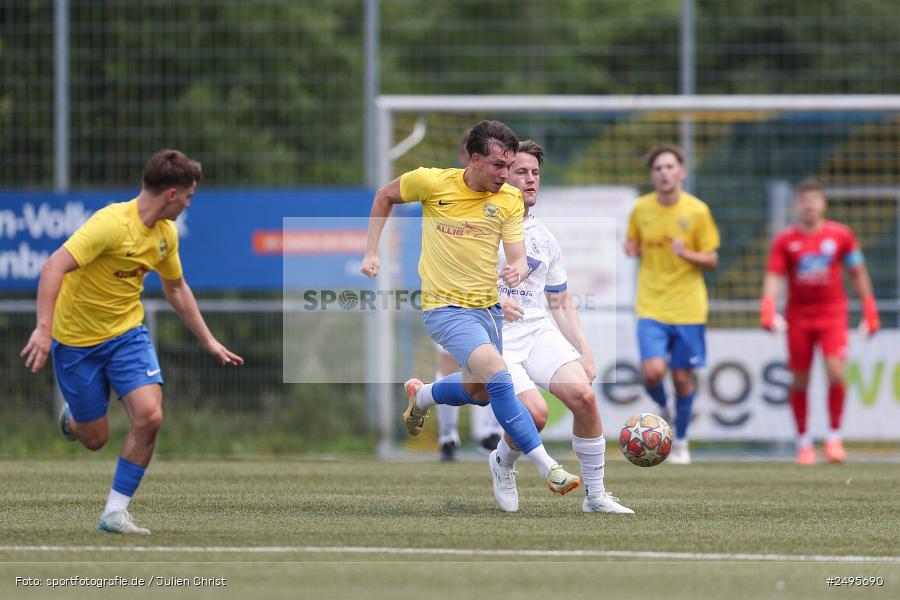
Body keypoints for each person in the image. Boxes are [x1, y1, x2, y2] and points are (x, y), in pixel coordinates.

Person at [20, 149, 244, 535]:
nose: (190, 203)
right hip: (76, 342)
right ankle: (74, 420)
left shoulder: (165, 235)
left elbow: (175, 287)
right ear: (171, 194)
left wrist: (208, 340)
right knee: (95, 438)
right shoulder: (110, 224)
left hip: (126, 335)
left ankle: (115, 512)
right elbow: (53, 266)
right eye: (188, 196)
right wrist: (43, 328)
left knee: (151, 416)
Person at [361, 120, 581, 496]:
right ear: (474, 159)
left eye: (510, 165)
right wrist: (371, 251)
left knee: (479, 391)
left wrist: (517, 268)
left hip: (488, 310)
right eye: (499, 166)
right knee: (499, 374)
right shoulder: (431, 182)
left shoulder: (507, 200)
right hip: (445, 309)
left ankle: (424, 395)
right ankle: (548, 466)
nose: (506, 174)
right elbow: (384, 195)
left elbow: (517, 256)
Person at [486, 140, 632, 513]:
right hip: (494, 336)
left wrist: (585, 351)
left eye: (535, 173)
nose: (530, 180)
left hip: (536, 331)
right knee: (535, 414)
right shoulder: (481, 225)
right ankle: (502, 462)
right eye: (521, 172)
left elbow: (561, 302)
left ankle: (595, 497)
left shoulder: (544, 239)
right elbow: (456, 277)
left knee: (584, 397)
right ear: (503, 175)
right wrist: (491, 298)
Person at [760, 179, 879, 465]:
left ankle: (834, 440)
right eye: (805, 200)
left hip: (832, 315)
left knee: (836, 372)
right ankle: (804, 443)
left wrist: (869, 308)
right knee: (800, 379)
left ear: (823, 204)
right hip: (798, 318)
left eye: (815, 199)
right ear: (797, 205)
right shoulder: (785, 240)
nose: (810, 204)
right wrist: (768, 306)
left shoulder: (841, 236)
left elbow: (857, 272)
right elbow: (774, 276)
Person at [624, 144, 720, 465]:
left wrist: (687, 253)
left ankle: (680, 441)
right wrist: (631, 247)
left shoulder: (697, 211)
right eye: (658, 168)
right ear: (652, 175)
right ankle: (664, 409)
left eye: (670, 167)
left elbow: (712, 259)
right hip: (651, 304)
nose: (664, 173)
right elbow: (634, 243)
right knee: (652, 372)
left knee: (682, 378)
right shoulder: (640, 209)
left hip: (689, 308)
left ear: (681, 172)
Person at [434, 129, 503, 461]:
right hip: (450, 298)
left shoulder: (502, 197)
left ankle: (490, 433)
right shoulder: (444, 191)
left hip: (489, 299)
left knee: (493, 369)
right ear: (468, 158)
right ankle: (448, 436)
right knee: (452, 364)